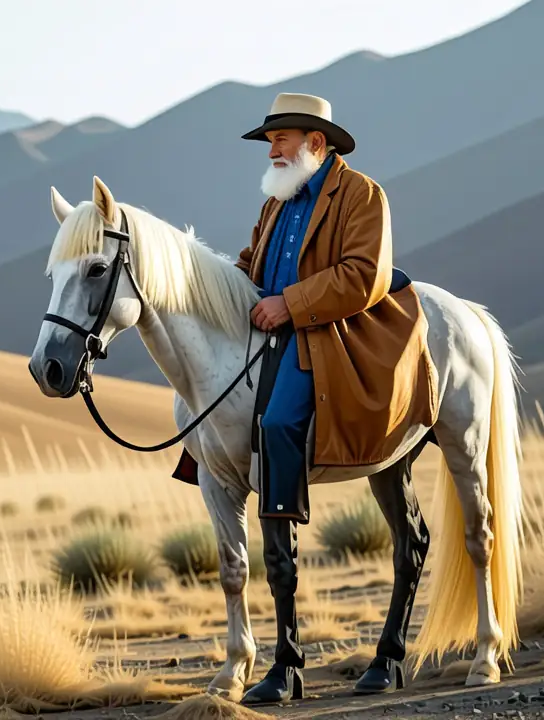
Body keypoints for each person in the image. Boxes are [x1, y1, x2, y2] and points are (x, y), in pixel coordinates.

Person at [233, 93, 440, 704]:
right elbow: (251, 264)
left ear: (316, 143)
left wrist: (288, 304)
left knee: (274, 428)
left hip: (325, 336)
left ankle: (291, 660)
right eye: (270, 141)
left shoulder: (362, 195)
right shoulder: (276, 199)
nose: (271, 149)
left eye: (281, 139)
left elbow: (364, 275)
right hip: (271, 331)